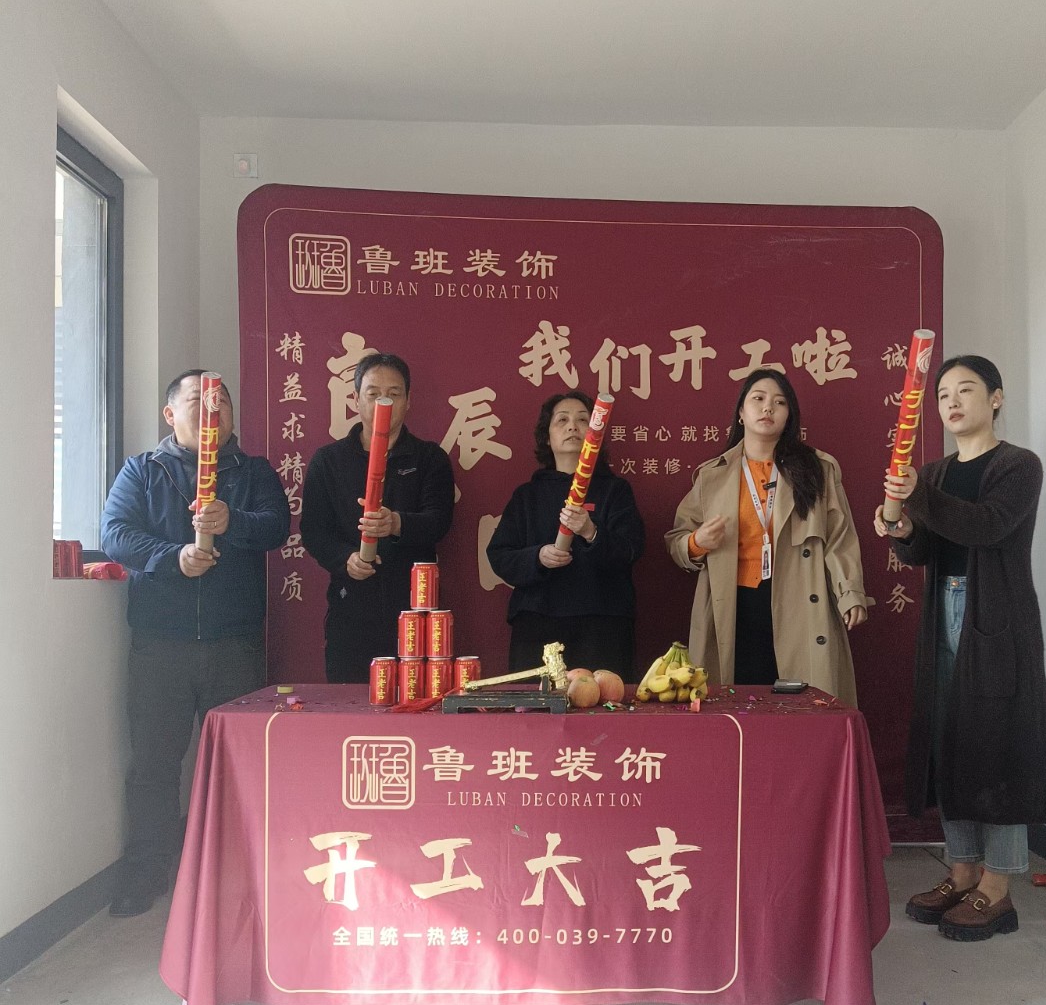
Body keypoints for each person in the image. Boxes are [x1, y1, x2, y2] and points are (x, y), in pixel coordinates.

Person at [874, 355, 1046, 942]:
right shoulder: (933, 472)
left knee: (998, 743)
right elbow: (923, 551)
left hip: (997, 618)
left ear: (996, 398)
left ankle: (997, 887)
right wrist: (902, 526)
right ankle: (961, 871)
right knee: (949, 737)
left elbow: (987, 527)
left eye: (966, 390)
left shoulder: (1018, 465)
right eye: (943, 394)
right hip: (943, 613)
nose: (951, 402)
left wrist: (917, 500)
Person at [101, 371, 291, 916]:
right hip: (160, 645)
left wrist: (232, 521)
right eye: (198, 401)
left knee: (238, 764)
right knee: (154, 762)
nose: (213, 410)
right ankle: (147, 869)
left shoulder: (253, 472)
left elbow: (276, 526)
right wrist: (174, 558)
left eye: (221, 401)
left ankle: (237, 874)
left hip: (235, 644)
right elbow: (115, 533)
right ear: (170, 414)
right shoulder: (144, 470)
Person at [665, 369, 869, 702]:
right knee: (737, 702)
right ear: (741, 413)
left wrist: (850, 592)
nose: (767, 408)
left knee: (801, 705)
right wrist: (697, 542)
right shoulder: (712, 475)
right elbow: (677, 538)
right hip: (734, 605)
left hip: (800, 600)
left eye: (779, 402)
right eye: (758, 399)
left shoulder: (817, 468)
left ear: (789, 416)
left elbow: (839, 536)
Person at [300, 352, 455, 682]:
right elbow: (313, 531)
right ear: (356, 399)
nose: (384, 401)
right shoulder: (329, 461)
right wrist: (346, 559)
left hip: (414, 610)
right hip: (351, 610)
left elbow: (440, 520)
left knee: (416, 701)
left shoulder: (429, 458)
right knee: (349, 701)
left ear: (408, 401)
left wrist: (396, 523)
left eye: (394, 393)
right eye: (373, 393)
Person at [487, 392, 645, 679]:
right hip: (537, 624)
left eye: (583, 420)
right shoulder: (527, 496)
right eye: (562, 420)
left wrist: (591, 532)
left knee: (604, 704)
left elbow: (631, 549)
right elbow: (499, 555)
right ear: (547, 437)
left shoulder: (615, 490)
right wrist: (538, 557)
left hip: (602, 624)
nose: (573, 426)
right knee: (536, 706)